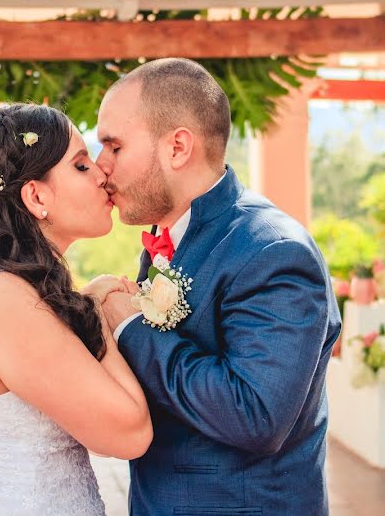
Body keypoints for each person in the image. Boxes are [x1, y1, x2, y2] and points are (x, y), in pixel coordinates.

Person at [95, 58, 341, 516]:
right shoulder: (163, 242)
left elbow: (256, 416)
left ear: (177, 147)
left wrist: (129, 324)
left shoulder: (274, 251)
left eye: (114, 146)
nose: (101, 167)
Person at [0, 103, 151, 516]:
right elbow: (129, 432)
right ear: (36, 195)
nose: (102, 173)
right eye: (81, 165)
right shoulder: (3, 301)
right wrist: (98, 309)